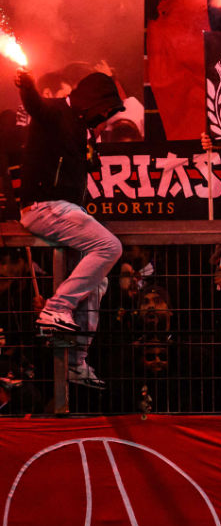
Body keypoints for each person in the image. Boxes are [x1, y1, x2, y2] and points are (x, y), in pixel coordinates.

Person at [13, 69, 127, 389]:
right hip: (45, 206)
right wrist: (27, 85)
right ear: (94, 104)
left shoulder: (82, 130)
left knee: (98, 280)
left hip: (63, 208)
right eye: (106, 114)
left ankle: (76, 361)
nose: (106, 122)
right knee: (110, 247)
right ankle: (56, 308)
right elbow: (36, 106)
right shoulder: (56, 112)